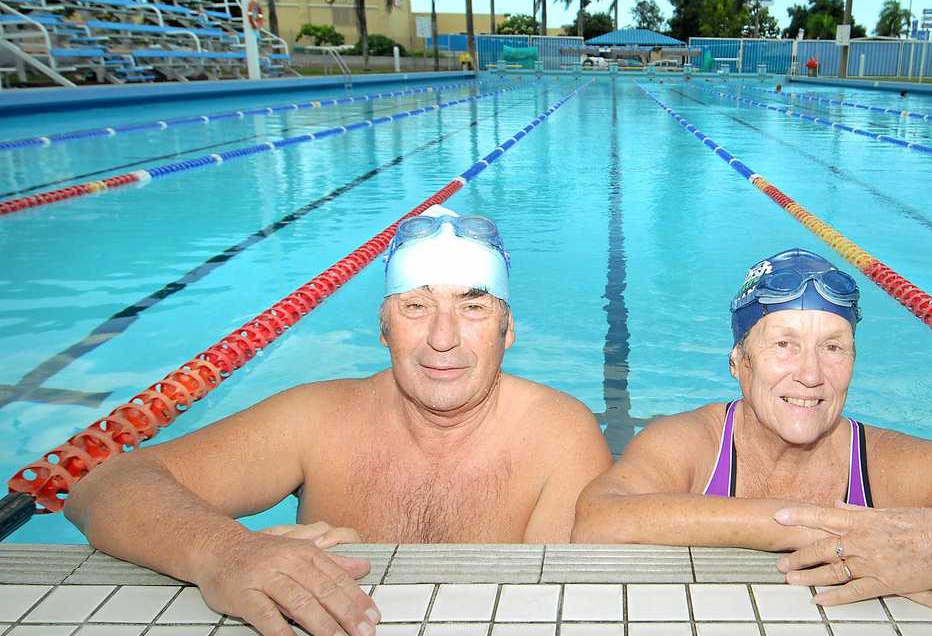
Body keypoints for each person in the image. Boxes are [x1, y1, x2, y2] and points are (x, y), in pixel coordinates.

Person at [66, 206, 612, 636]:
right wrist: (229, 553)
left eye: (473, 308)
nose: (443, 339)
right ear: (383, 330)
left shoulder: (558, 435)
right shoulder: (318, 417)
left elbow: (552, 608)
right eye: (415, 308)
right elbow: (102, 487)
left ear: (506, 330)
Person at [574, 248, 932, 611]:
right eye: (783, 345)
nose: (810, 374)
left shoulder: (889, 464)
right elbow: (598, 521)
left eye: (834, 347)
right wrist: (843, 536)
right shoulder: (695, 443)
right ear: (739, 363)